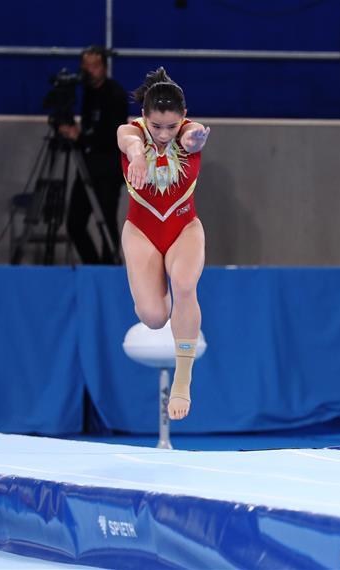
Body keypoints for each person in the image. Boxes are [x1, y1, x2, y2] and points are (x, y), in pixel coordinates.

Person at [117, 67, 211, 420]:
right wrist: (138, 154)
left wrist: (194, 139)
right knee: (154, 317)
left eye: (171, 126)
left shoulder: (189, 133)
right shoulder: (130, 131)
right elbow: (128, 141)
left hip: (184, 227)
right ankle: (165, 297)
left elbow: (193, 140)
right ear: (144, 117)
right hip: (141, 231)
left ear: (183, 117)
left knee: (186, 285)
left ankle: (183, 381)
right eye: (156, 126)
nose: (163, 134)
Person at [58, 46, 129, 264]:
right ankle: (93, 267)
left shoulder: (114, 94)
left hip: (107, 169)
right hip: (87, 166)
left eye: (95, 66)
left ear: (104, 68)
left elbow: (112, 135)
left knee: (107, 222)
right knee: (75, 223)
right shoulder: (88, 92)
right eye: (85, 67)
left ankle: (108, 270)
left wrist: (80, 137)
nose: (90, 71)